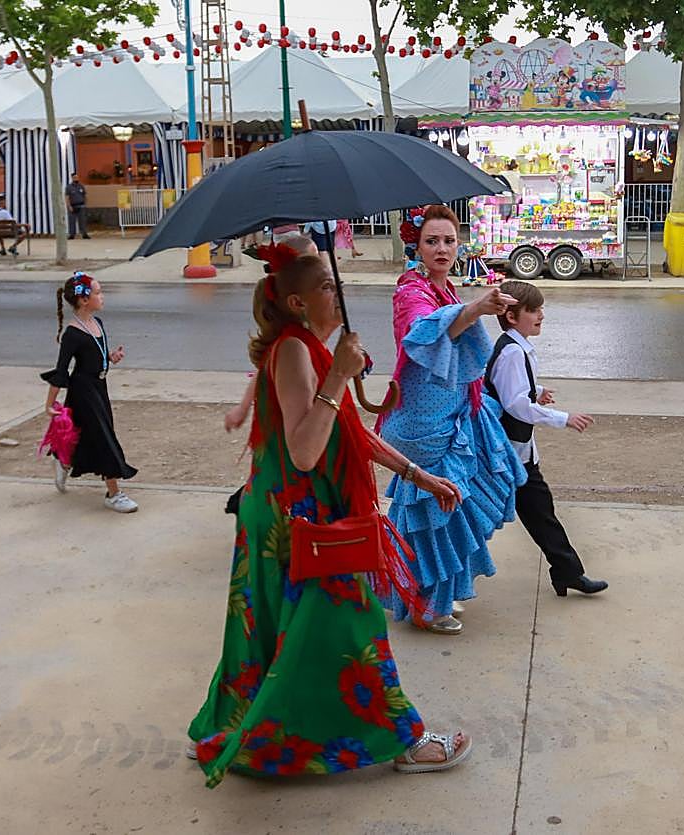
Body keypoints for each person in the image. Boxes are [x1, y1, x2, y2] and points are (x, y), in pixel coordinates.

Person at [189, 250, 472, 787]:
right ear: (297, 302)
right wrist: (340, 375)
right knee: (355, 623)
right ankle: (405, 740)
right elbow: (304, 451)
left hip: (283, 517)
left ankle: (236, 730)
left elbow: (350, 433)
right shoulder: (295, 351)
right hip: (298, 524)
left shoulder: (309, 347)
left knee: (270, 632)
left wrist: (418, 475)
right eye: (325, 286)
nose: (337, 292)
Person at [378, 204, 526, 635]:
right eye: (432, 241)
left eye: (448, 240)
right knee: (440, 507)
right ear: (417, 246)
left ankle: (416, 591)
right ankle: (429, 604)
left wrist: (472, 308)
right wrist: (476, 310)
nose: (441, 248)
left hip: (451, 412)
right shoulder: (411, 290)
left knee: (439, 508)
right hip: (424, 421)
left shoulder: (444, 287)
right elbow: (425, 330)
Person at [486, 281, 608, 598]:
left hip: (517, 454)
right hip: (506, 456)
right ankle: (439, 574)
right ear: (512, 316)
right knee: (480, 517)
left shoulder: (516, 347)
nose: (541, 315)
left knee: (541, 512)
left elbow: (510, 389)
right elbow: (516, 405)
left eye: (541, 309)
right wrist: (563, 418)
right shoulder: (513, 352)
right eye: (534, 310)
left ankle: (568, 572)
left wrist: (537, 391)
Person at [223, 235, 318, 517]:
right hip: (285, 418)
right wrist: (242, 408)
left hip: (291, 415)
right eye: (313, 259)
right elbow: (265, 368)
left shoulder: (305, 320)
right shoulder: (290, 334)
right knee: (282, 470)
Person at [42, 272, 138, 513]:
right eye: (97, 293)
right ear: (84, 300)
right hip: (83, 391)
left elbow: (97, 356)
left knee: (88, 435)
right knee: (104, 437)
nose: (102, 296)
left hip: (99, 387)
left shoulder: (98, 324)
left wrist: (111, 358)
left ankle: (63, 461)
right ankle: (113, 493)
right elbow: (62, 370)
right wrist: (50, 403)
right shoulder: (72, 334)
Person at [66, 173, 91, 239]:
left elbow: (85, 196)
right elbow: (67, 197)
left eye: (77, 177)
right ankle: (72, 234)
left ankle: (84, 234)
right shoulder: (69, 187)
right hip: (72, 206)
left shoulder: (81, 186)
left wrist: (85, 204)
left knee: (82, 221)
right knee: (72, 221)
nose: (76, 179)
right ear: (72, 178)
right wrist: (69, 206)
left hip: (81, 206)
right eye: (74, 177)